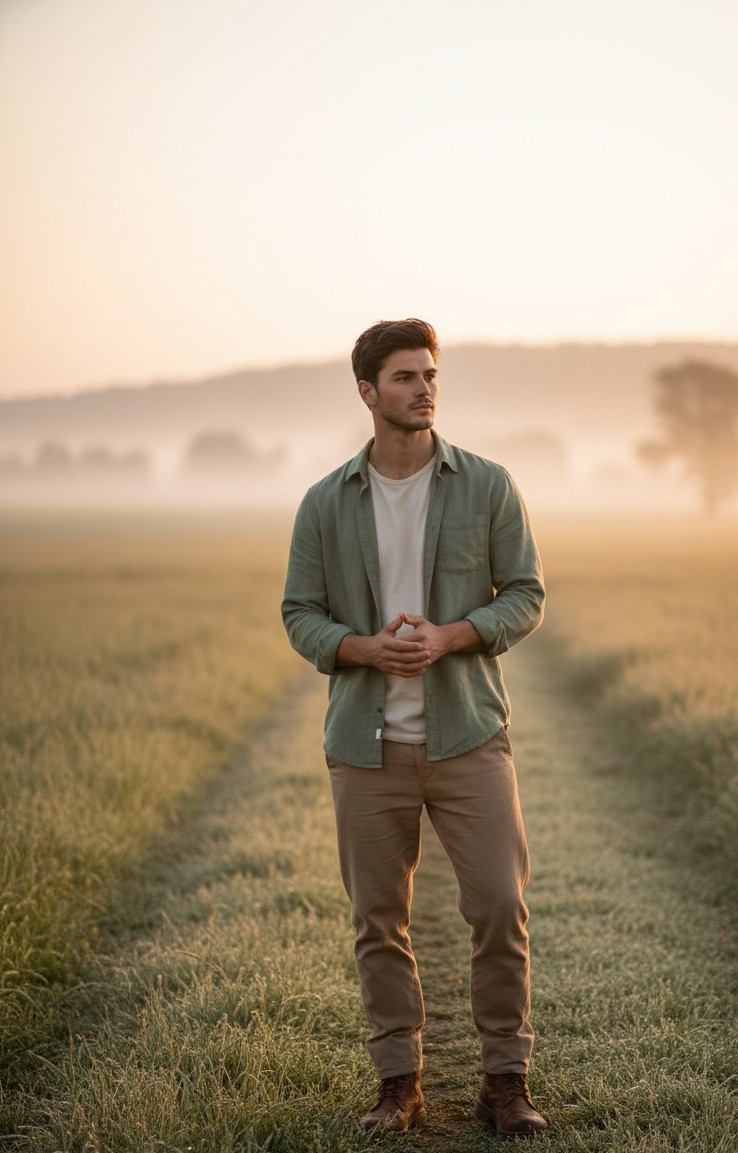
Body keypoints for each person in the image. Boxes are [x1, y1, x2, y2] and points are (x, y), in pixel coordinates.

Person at [281, 318, 547, 1137]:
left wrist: (449, 635)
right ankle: (399, 1083)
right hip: (366, 747)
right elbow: (299, 614)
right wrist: (361, 648)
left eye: (430, 374)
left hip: (468, 734)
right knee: (378, 921)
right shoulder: (326, 501)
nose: (424, 388)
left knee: (500, 905)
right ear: (367, 392)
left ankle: (506, 1080)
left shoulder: (488, 485)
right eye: (404, 377)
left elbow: (526, 594)